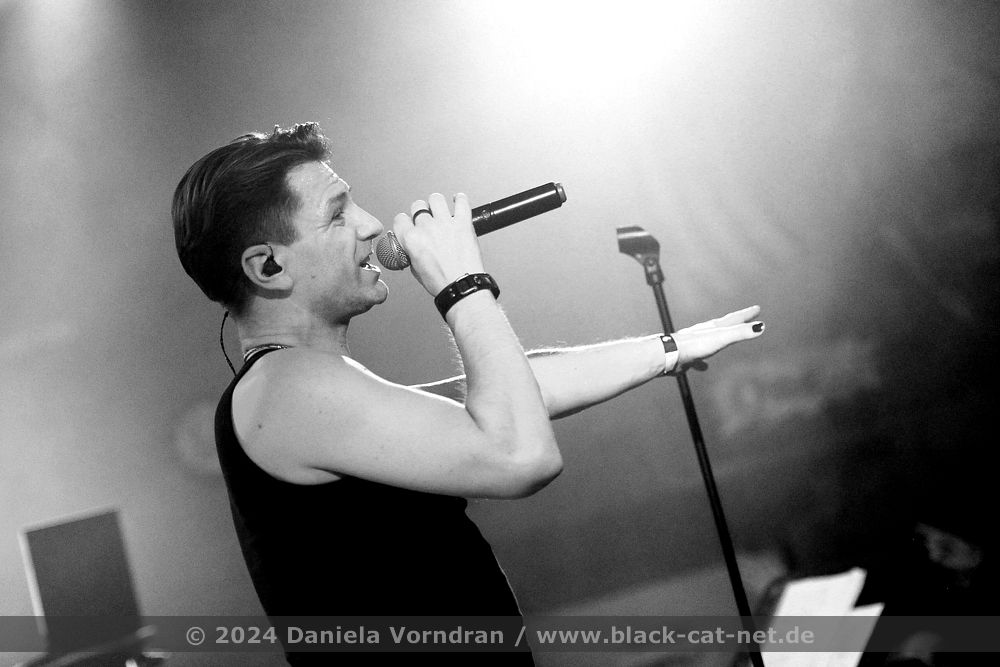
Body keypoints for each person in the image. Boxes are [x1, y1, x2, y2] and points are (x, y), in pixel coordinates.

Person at [171, 122, 765, 664]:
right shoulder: (284, 389)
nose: (372, 225)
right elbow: (520, 454)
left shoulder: (300, 390)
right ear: (268, 267)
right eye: (337, 214)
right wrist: (461, 283)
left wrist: (670, 348)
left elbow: (506, 394)